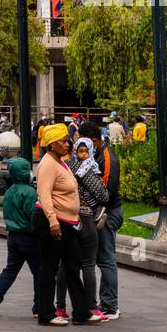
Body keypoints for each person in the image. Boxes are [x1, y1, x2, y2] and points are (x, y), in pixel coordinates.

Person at [34, 123, 101, 326]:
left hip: (68, 221)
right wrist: (53, 221)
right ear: (52, 145)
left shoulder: (60, 161)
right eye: (63, 141)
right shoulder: (47, 164)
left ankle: (81, 312)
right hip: (53, 222)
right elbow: (44, 195)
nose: (68, 144)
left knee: (73, 265)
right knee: (50, 267)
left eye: (67, 140)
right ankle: (46, 313)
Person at [54, 138, 109, 321]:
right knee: (88, 264)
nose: (84, 154)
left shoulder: (64, 167)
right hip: (85, 218)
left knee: (65, 265)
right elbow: (103, 195)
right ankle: (92, 307)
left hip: (66, 219)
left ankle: (60, 307)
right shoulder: (87, 169)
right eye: (82, 151)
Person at [0, 156, 40, 318]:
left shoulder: (9, 192)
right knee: (38, 271)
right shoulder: (30, 192)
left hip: (13, 236)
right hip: (28, 237)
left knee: (11, 269)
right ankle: (39, 306)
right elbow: (33, 215)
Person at [85, 122, 122, 320]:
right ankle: (105, 302)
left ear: (93, 141)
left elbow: (106, 192)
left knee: (106, 259)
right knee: (101, 259)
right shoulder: (94, 156)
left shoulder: (107, 158)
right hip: (98, 212)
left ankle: (110, 305)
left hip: (108, 212)